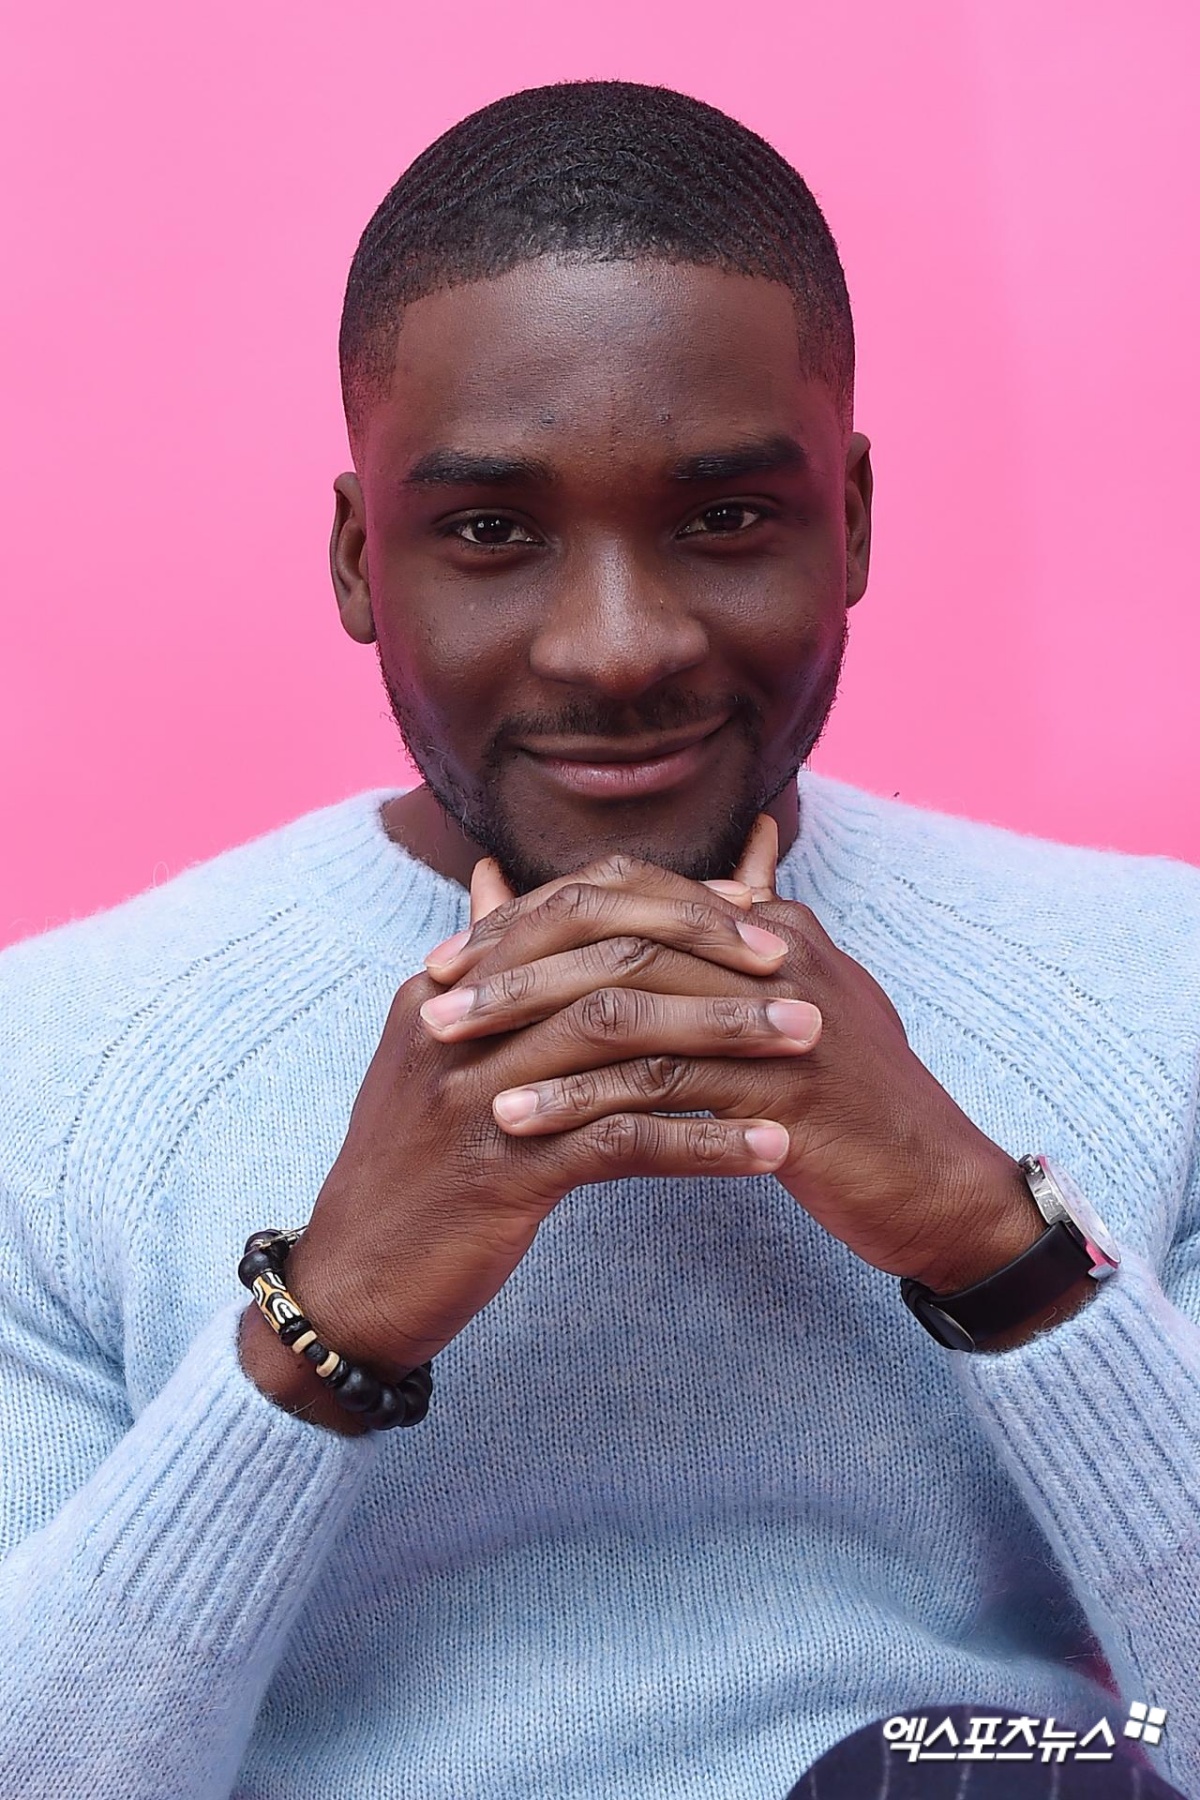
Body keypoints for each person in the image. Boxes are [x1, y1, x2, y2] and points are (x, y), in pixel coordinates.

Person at [0, 79, 1197, 1800]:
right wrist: (324, 1324)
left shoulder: (1160, 986)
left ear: (852, 519)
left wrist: (1001, 1250)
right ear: (359, 558)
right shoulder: (55, 1068)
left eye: (725, 518)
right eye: (493, 532)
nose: (617, 646)